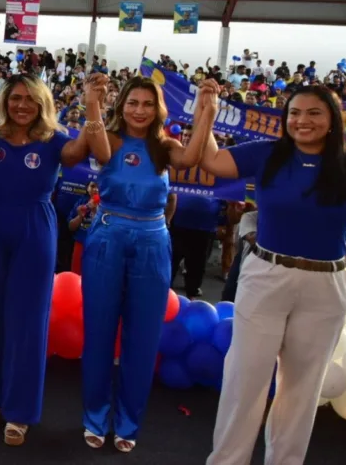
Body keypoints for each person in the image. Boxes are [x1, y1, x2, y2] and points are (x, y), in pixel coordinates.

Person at [201, 86, 346, 465]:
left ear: (334, 119)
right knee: (244, 380)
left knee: (302, 388)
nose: (302, 121)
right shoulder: (267, 153)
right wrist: (208, 111)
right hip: (266, 276)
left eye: (314, 113)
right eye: (295, 113)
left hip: (326, 286)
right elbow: (212, 161)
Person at [0, 73, 106, 447]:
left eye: (30, 98)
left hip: (34, 229)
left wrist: (92, 102)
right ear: (5, 101)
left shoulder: (54, 140)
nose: (22, 105)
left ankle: (20, 412)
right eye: (15, 98)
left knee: (27, 320)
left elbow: (82, 153)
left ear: (43, 103)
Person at [80, 76, 219, 452]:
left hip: (153, 241)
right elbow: (100, 151)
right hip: (108, 237)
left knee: (142, 338)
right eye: (132, 103)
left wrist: (208, 109)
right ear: (121, 105)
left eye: (146, 103)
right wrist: (92, 102)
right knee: (99, 333)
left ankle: (127, 422)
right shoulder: (110, 138)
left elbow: (191, 159)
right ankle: (95, 415)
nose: (139, 110)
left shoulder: (165, 147)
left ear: (157, 109)